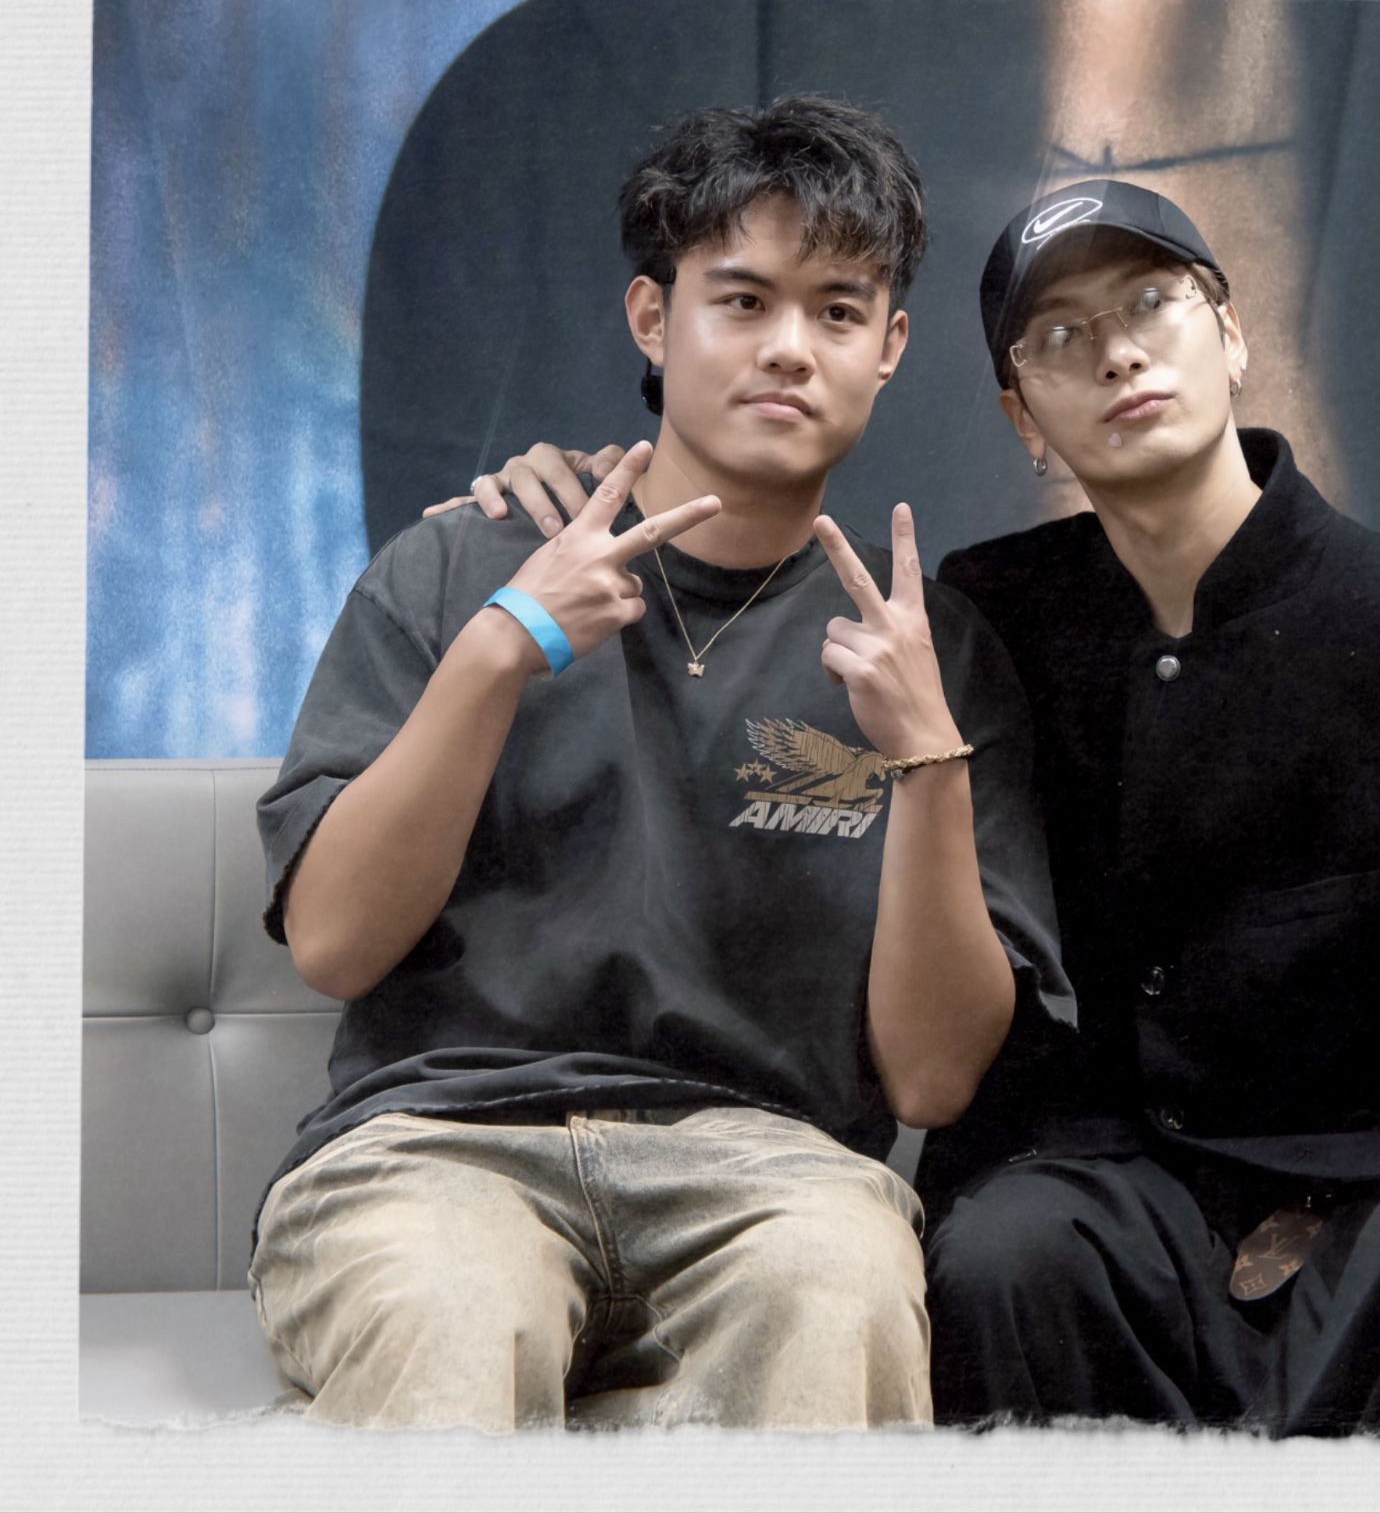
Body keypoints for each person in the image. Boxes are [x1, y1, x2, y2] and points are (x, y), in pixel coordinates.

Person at [459, 179, 1380, 1438]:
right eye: (1062, 335)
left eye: (1151, 303)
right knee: (999, 1258)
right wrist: (577, 484)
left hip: (1366, 1175)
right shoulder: (990, 619)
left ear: (1231, 334)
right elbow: (768, 574)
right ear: (1022, 413)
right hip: (1095, 1190)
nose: (1118, 352)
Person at [251, 96, 1068, 1433]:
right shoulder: (460, 563)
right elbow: (335, 946)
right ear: (653, 318)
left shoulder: (934, 656)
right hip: (439, 1148)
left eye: (837, 311)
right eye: (740, 301)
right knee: (453, 1304)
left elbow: (930, 1083)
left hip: (774, 1172)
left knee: (840, 1288)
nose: (788, 347)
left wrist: (929, 758)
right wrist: (503, 644)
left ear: (888, 348)